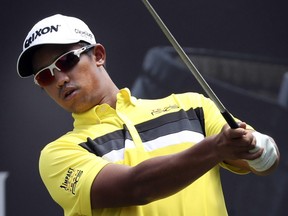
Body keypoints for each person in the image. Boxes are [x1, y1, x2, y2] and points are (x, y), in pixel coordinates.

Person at [16, 14, 280, 216]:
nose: (60, 79)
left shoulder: (192, 106)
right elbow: (136, 187)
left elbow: (265, 162)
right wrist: (215, 149)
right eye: (45, 75)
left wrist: (257, 148)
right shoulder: (59, 154)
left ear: (98, 55)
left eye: (66, 61)